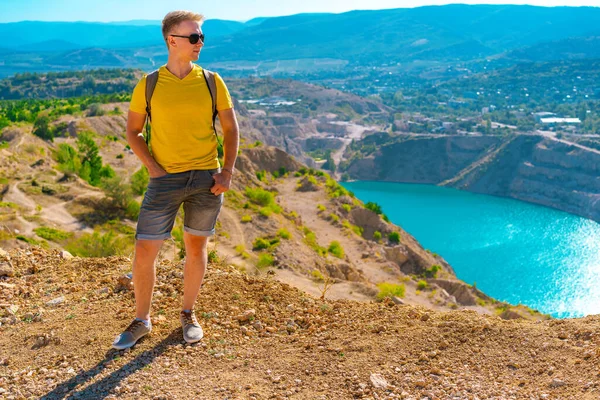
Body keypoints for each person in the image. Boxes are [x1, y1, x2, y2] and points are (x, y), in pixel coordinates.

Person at [113, 10, 239, 349]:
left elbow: (230, 129)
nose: (200, 43)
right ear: (172, 41)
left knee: (196, 247)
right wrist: (152, 167)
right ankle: (142, 321)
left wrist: (227, 171)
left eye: (201, 37)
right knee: (144, 250)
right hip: (164, 179)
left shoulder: (213, 81)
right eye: (194, 37)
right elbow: (133, 131)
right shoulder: (150, 84)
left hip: (206, 179)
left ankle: (188, 314)